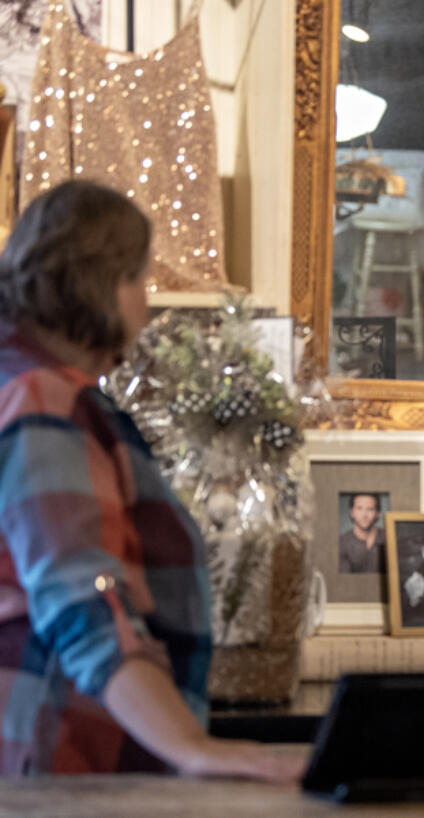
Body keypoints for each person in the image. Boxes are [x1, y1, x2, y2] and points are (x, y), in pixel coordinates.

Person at [0, 180, 299, 780]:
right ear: (98, 283)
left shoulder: (19, 384)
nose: (146, 306)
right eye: (138, 280)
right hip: (62, 757)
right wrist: (189, 745)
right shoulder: (43, 400)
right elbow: (83, 593)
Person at [338, 493, 387, 574]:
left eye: (370, 509)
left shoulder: (388, 538)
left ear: (377, 514)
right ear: (352, 512)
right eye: (359, 508)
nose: (364, 515)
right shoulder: (341, 542)